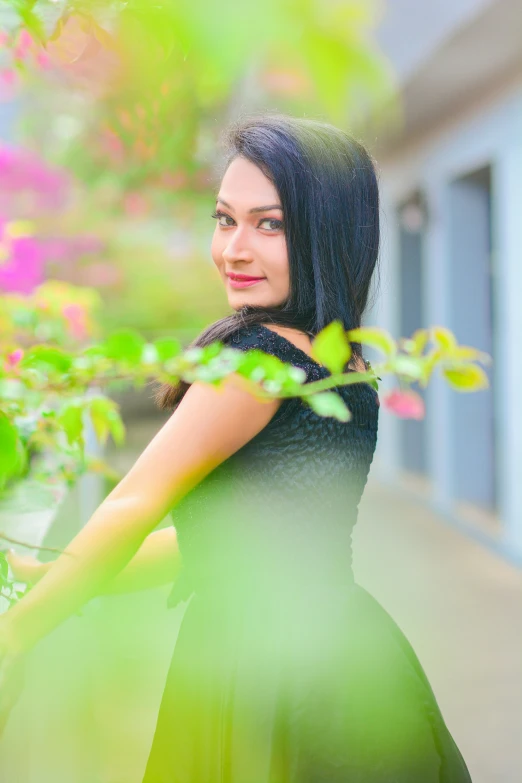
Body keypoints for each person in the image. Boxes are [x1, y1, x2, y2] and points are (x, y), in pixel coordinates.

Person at [0, 113, 473, 782]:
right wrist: (49, 577)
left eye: (269, 224)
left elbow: (133, 502)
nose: (234, 249)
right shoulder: (344, 366)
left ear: (327, 232)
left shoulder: (259, 362)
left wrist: (15, 636)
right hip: (348, 667)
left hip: (271, 687)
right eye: (226, 219)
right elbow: (222, 542)